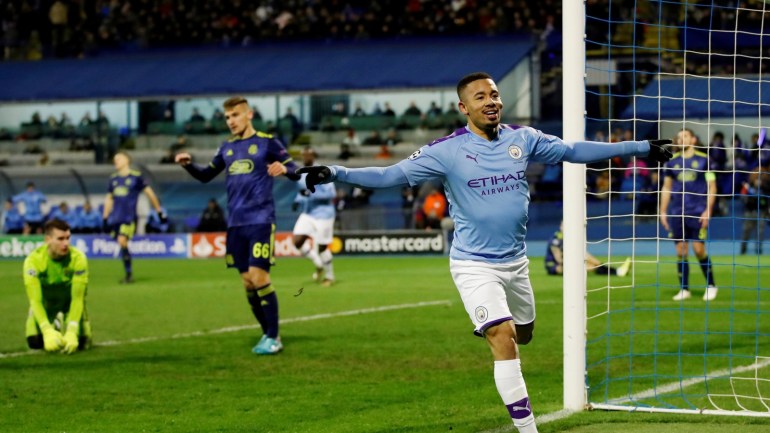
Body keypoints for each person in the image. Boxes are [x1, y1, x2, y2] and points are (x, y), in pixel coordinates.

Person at [297, 71, 672, 433]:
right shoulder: (446, 151)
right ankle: (527, 428)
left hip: (516, 263)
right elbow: (388, 175)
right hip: (474, 265)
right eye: (481, 97)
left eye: (494, 95)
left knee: (523, 334)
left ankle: (509, 344)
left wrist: (639, 146)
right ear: (464, 108)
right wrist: (336, 172)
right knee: (501, 333)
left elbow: (573, 150)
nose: (491, 102)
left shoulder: (523, 138)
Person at [175, 96, 300, 355]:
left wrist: (284, 170)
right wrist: (189, 166)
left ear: (249, 114)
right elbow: (206, 175)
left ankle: (273, 337)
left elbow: (296, 169)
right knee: (247, 282)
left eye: (235, 115)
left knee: (259, 276)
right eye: (228, 117)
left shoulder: (268, 143)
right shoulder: (226, 148)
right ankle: (268, 332)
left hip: (261, 220)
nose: (231, 121)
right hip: (235, 224)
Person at [660, 128, 718, 302]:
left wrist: (708, 210)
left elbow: (712, 187)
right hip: (677, 212)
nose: (681, 139)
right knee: (680, 250)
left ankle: (711, 285)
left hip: (697, 211)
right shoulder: (671, 162)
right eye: (679, 137)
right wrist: (662, 211)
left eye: (685, 136)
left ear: (692, 139)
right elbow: (666, 187)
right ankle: (684, 289)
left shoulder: (704, 160)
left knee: (698, 249)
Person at [23, 219, 91, 354]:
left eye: (68, 238)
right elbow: (35, 300)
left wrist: (72, 330)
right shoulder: (33, 261)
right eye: (60, 239)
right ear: (48, 239)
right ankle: (55, 323)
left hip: (69, 304)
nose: (65, 243)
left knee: (82, 343)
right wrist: (46, 330)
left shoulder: (78, 259)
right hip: (46, 304)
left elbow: (78, 299)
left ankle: (67, 323)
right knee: (35, 342)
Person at [102, 151, 167, 284]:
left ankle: (129, 275)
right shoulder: (113, 179)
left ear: (127, 160)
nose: (116, 161)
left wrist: (159, 211)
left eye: (119, 158)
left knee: (122, 241)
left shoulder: (136, 177)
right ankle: (128, 272)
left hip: (129, 217)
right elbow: (109, 198)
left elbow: (150, 194)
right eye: (115, 159)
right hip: (116, 218)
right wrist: (105, 217)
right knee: (122, 244)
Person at [292, 147, 336, 287]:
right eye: (303, 155)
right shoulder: (301, 174)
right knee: (297, 241)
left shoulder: (322, 171)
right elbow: (302, 192)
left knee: (322, 248)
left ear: (313, 156)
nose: (305, 157)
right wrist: (297, 201)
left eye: (308, 155)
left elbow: (331, 194)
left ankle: (329, 276)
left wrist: (311, 195)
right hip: (308, 213)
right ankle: (318, 264)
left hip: (324, 214)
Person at [545, 221, 631, 277]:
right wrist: (576, 261)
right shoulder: (556, 239)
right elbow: (559, 259)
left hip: (568, 261)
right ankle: (617, 272)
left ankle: (617, 271)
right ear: (560, 227)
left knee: (587, 257)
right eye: (564, 226)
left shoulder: (570, 238)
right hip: (554, 265)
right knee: (584, 267)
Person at [739, 162, 770, 255]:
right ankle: (743, 250)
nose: (759, 175)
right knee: (746, 232)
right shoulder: (748, 185)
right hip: (750, 211)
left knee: (759, 233)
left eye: (761, 173)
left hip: (761, 211)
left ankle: (758, 250)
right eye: (757, 172)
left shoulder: (767, 186)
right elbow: (743, 197)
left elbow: (767, 199)